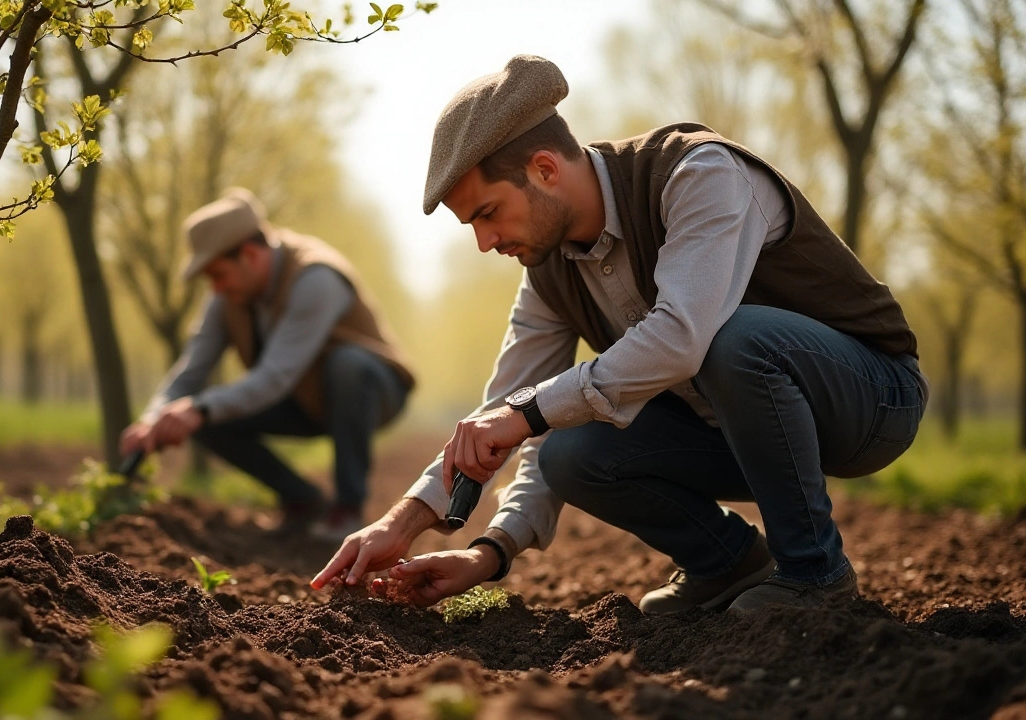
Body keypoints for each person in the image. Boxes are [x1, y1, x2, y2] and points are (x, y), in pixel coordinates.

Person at [312, 55, 928, 613]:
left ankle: (814, 571)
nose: (485, 242)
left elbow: (682, 336)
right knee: (568, 453)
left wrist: (527, 414)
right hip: (739, 430)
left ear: (545, 169)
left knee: (732, 337)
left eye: (487, 213)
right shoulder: (546, 272)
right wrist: (456, 539)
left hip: (870, 400)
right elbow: (500, 415)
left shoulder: (696, 173)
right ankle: (729, 565)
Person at [121, 189, 415, 541]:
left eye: (218, 274)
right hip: (298, 397)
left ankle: (348, 508)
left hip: (371, 392)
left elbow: (276, 375)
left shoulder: (316, 277)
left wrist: (198, 408)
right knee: (206, 416)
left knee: (346, 365)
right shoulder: (226, 297)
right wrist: (152, 418)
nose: (215, 289)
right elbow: (191, 369)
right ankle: (302, 501)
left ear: (249, 254)